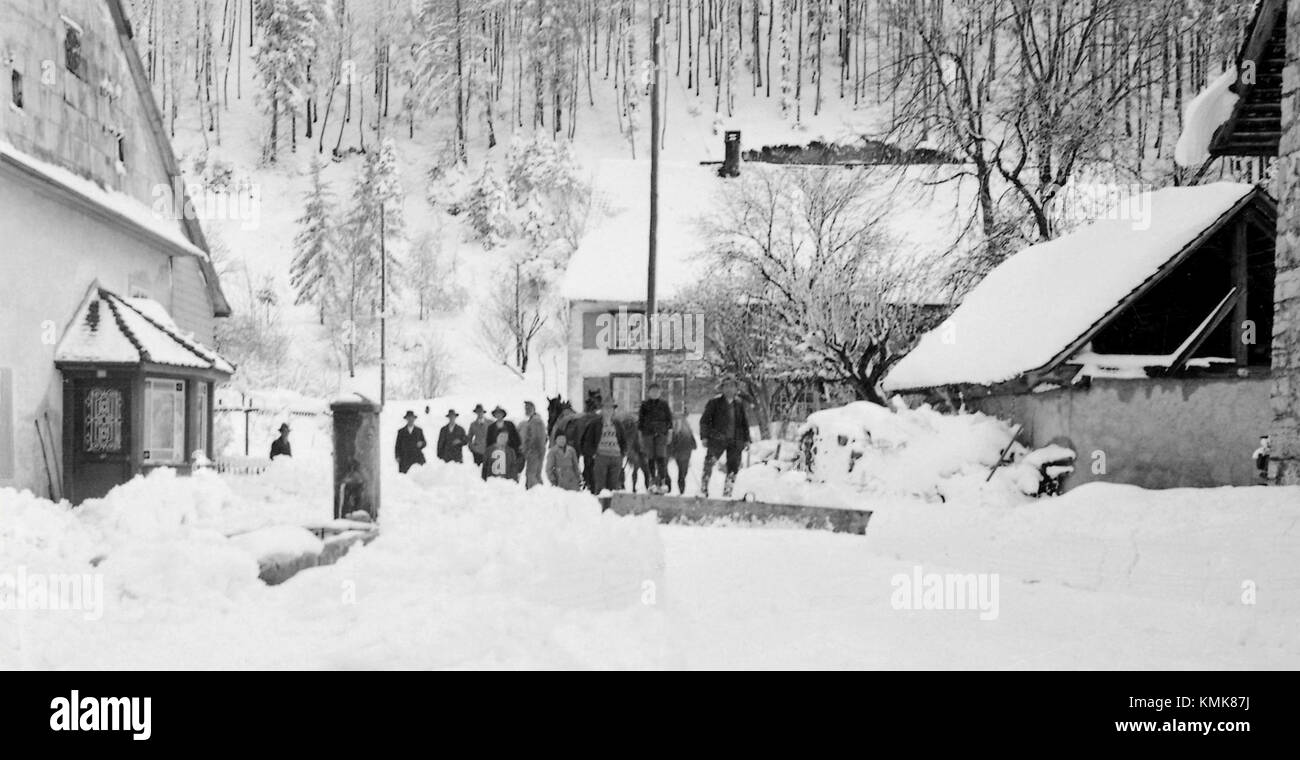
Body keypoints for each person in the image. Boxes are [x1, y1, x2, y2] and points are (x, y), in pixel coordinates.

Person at [698, 376, 751, 497]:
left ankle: (728, 491)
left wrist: (747, 440)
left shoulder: (739, 404)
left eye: (732, 386)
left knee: (733, 467)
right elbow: (705, 421)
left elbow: (744, 423)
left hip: (735, 441)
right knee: (709, 463)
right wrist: (704, 436)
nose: (729, 389)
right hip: (717, 439)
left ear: (736, 389)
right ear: (722, 388)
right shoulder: (714, 403)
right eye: (726, 386)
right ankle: (704, 489)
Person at [581, 398, 626, 494]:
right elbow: (587, 441)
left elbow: (623, 440)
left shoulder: (618, 424)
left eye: (611, 408)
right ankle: (600, 507)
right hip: (601, 457)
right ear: (602, 410)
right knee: (600, 486)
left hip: (616, 457)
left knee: (613, 486)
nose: (609, 411)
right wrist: (592, 454)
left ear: (613, 410)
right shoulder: (595, 424)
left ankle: (611, 508)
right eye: (606, 408)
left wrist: (622, 453)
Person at [637, 382, 674, 494]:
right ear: (649, 393)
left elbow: (669, 421)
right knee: (651, 458)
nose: (654, 393)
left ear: (660, 392)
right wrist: (640, 436)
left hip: (661, 434)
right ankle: (652, 481)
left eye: (656, 391)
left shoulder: (664, 405)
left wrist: (669, 434)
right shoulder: (644, 405)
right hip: (648, 434)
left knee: (661, 457)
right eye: (652, 391)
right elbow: (640, 422)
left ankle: (662, 481)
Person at [521, 401, 548, 489]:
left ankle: (534, 493)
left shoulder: (536, 421)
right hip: (535, 451)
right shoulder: (532, 420)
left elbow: (537, 438)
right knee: (535, 474)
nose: (526, 410)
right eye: (526, 408)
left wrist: (529, 450)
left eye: (528, 408)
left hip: (534, 451)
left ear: (533, 409)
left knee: (532, 474)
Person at [669, 415, 698, 495]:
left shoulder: (678, 426)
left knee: (681, 471)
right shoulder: (686, 426)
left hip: (681, 451)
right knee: (682, 472)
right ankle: (681, 488)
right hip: (685, 451)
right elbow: (693, 443)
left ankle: (680, 488)